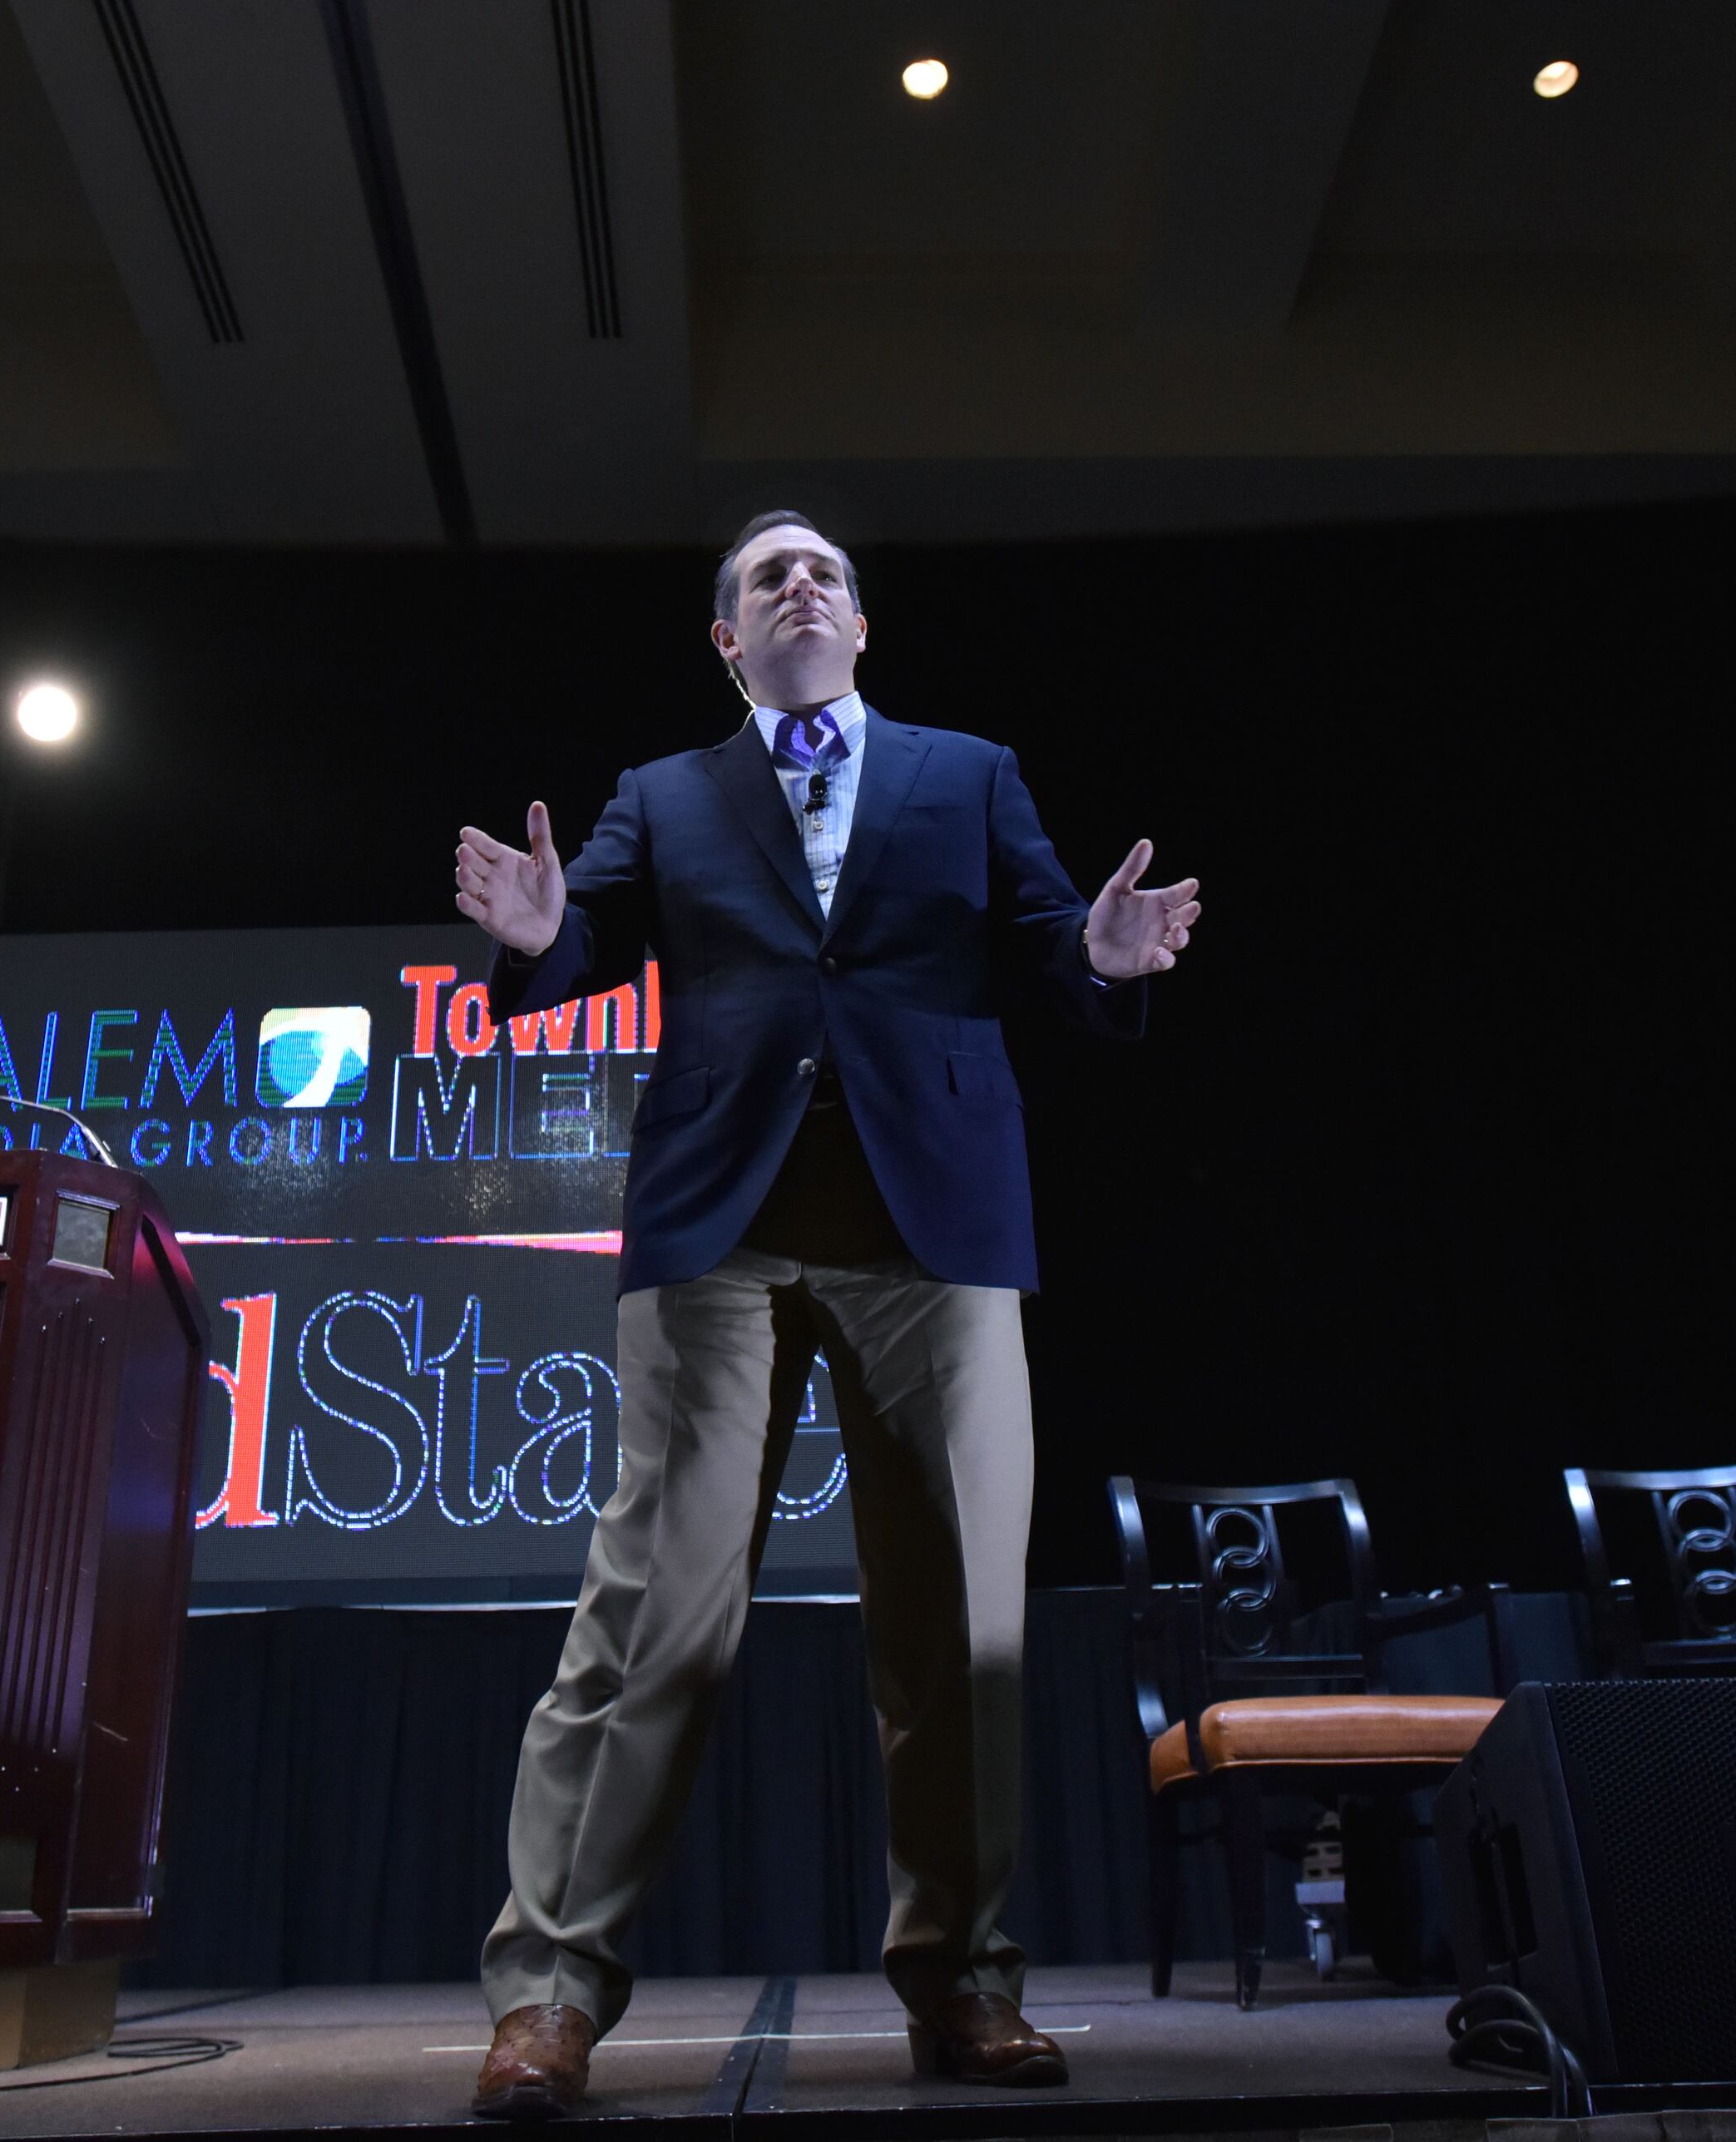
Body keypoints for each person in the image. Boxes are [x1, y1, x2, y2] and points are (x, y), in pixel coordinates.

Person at [449, 512, 1201, 2121]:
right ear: (730, 642)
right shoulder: (666, 791)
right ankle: (550, 2000)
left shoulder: (969, 769)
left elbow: (1053, 941)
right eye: (765, 580)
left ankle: (965, 1985)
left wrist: (1106, 953)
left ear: (859, 626)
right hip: (721, 1225)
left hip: (936, 1228)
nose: (803, 587)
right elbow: (582, 936)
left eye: (828, 575)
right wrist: (533, 940)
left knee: (963, 1632)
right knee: (659, 1609)